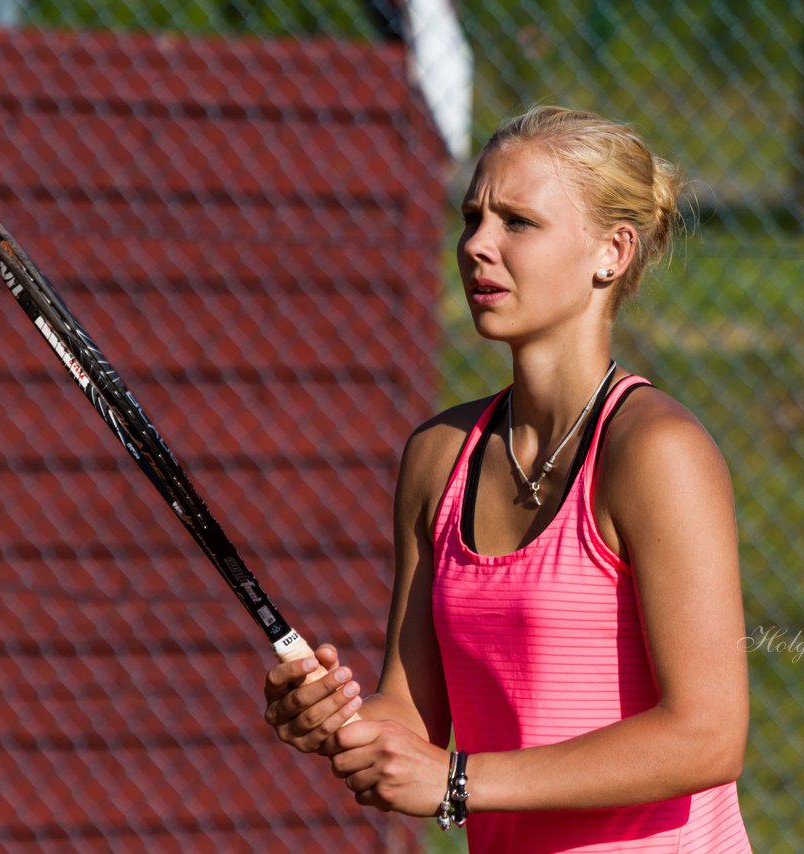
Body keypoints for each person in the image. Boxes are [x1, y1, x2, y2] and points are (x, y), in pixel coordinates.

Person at [262, 106, 752, 852]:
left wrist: (460, 782)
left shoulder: (657, 453)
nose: (476, 247)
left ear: (611, 253)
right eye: (471, 217)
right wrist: (340, 726)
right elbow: (412, 713)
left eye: (518, 222)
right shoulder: (437, 457)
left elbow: (708, 735)